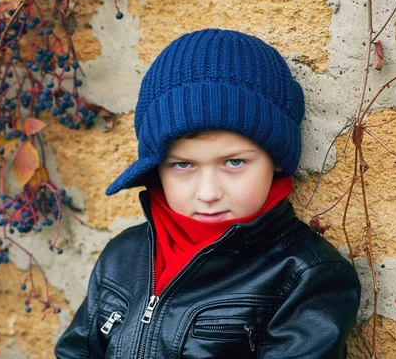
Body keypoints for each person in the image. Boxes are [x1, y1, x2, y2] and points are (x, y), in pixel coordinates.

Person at [54, 28, 361, 358]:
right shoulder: (122, 257)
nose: (209, 192)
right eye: (183, 165)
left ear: (276, 159)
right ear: (156, 168)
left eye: (233, 162)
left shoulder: (304, 276)